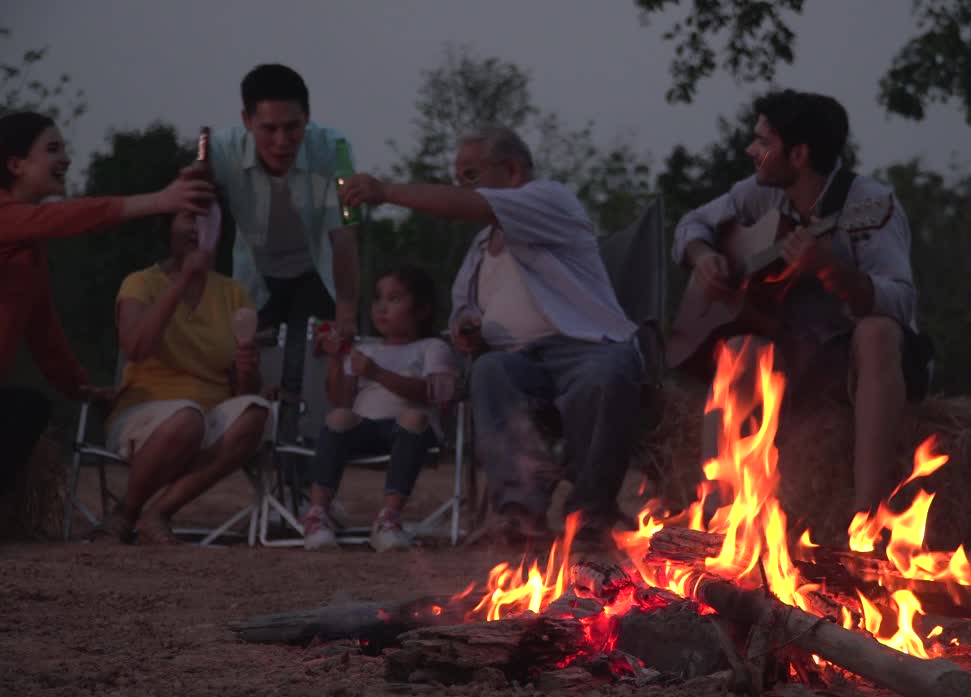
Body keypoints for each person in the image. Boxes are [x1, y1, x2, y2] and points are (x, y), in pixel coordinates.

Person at [339, 126, 644, 544]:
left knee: (606, 373)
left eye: (468, 175)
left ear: (513, 170)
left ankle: (591, 513)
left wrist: (385, 190)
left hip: (584, 347)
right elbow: (464, 307)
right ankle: (520, 513)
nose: (459, 187)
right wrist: (465, 329)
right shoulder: (481, 247)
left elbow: (463, 205)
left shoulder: (550, 199)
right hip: (516, 360)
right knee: (489, 371)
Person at [672, 90, 931, 514]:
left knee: (878, 330)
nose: (750, 150)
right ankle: (719, 514)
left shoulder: (869, 205)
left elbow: (899, 300)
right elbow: (690, 225)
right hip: (794, 356)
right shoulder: (760, 193)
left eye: (763, 141)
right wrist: (704, 257)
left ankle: (866, 522)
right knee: (738, 351)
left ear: (798, 155)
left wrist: (832, 271)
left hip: (856, 361)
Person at [0, 111, 212, 495]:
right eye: (52, 149)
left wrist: (83, 388)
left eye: (64, 148)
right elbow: (73, 217)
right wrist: (161, 200)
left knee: (28, 409)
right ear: (16, 164)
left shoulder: (30, 247)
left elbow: (44, 335)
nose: (65, 158)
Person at [191, 63, 361, 450]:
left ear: (308, 119)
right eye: (269, 129)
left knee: (314, 372)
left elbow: (346, 231)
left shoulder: (335, 148)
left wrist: (347, 308)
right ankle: (253, 460)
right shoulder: (220, 149)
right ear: (247, 121)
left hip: (316, 270)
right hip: (255, 273)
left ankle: (307, 472)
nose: (282, 140)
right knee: (246, 366)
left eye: (293, 127)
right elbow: (195, 218)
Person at [103, 209, 270, 543]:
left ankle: (159, 514)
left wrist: (249, 369)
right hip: (147, 415)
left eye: (208, 219)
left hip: (209, 417)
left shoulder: (234, 293)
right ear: (168, 224)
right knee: (186, 419)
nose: (199, 227)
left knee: (256, 411)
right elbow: (135, 347)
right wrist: (181, 280)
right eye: (189, 217)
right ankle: (127, 511)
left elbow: (244, 388)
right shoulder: (140, 283)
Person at [301, 265, 460, 552]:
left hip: (411, 432)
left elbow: (430, 394)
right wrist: (337, 359)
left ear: (422, 310)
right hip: (365, 429)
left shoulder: (431, 347)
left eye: (395, 299)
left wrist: (377, 374)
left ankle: (388, 517)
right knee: (338, 416)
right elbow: (341, 399)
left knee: (413, 417)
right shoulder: (365, 350)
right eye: (378, 299)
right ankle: (318, 514)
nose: (382, 307)